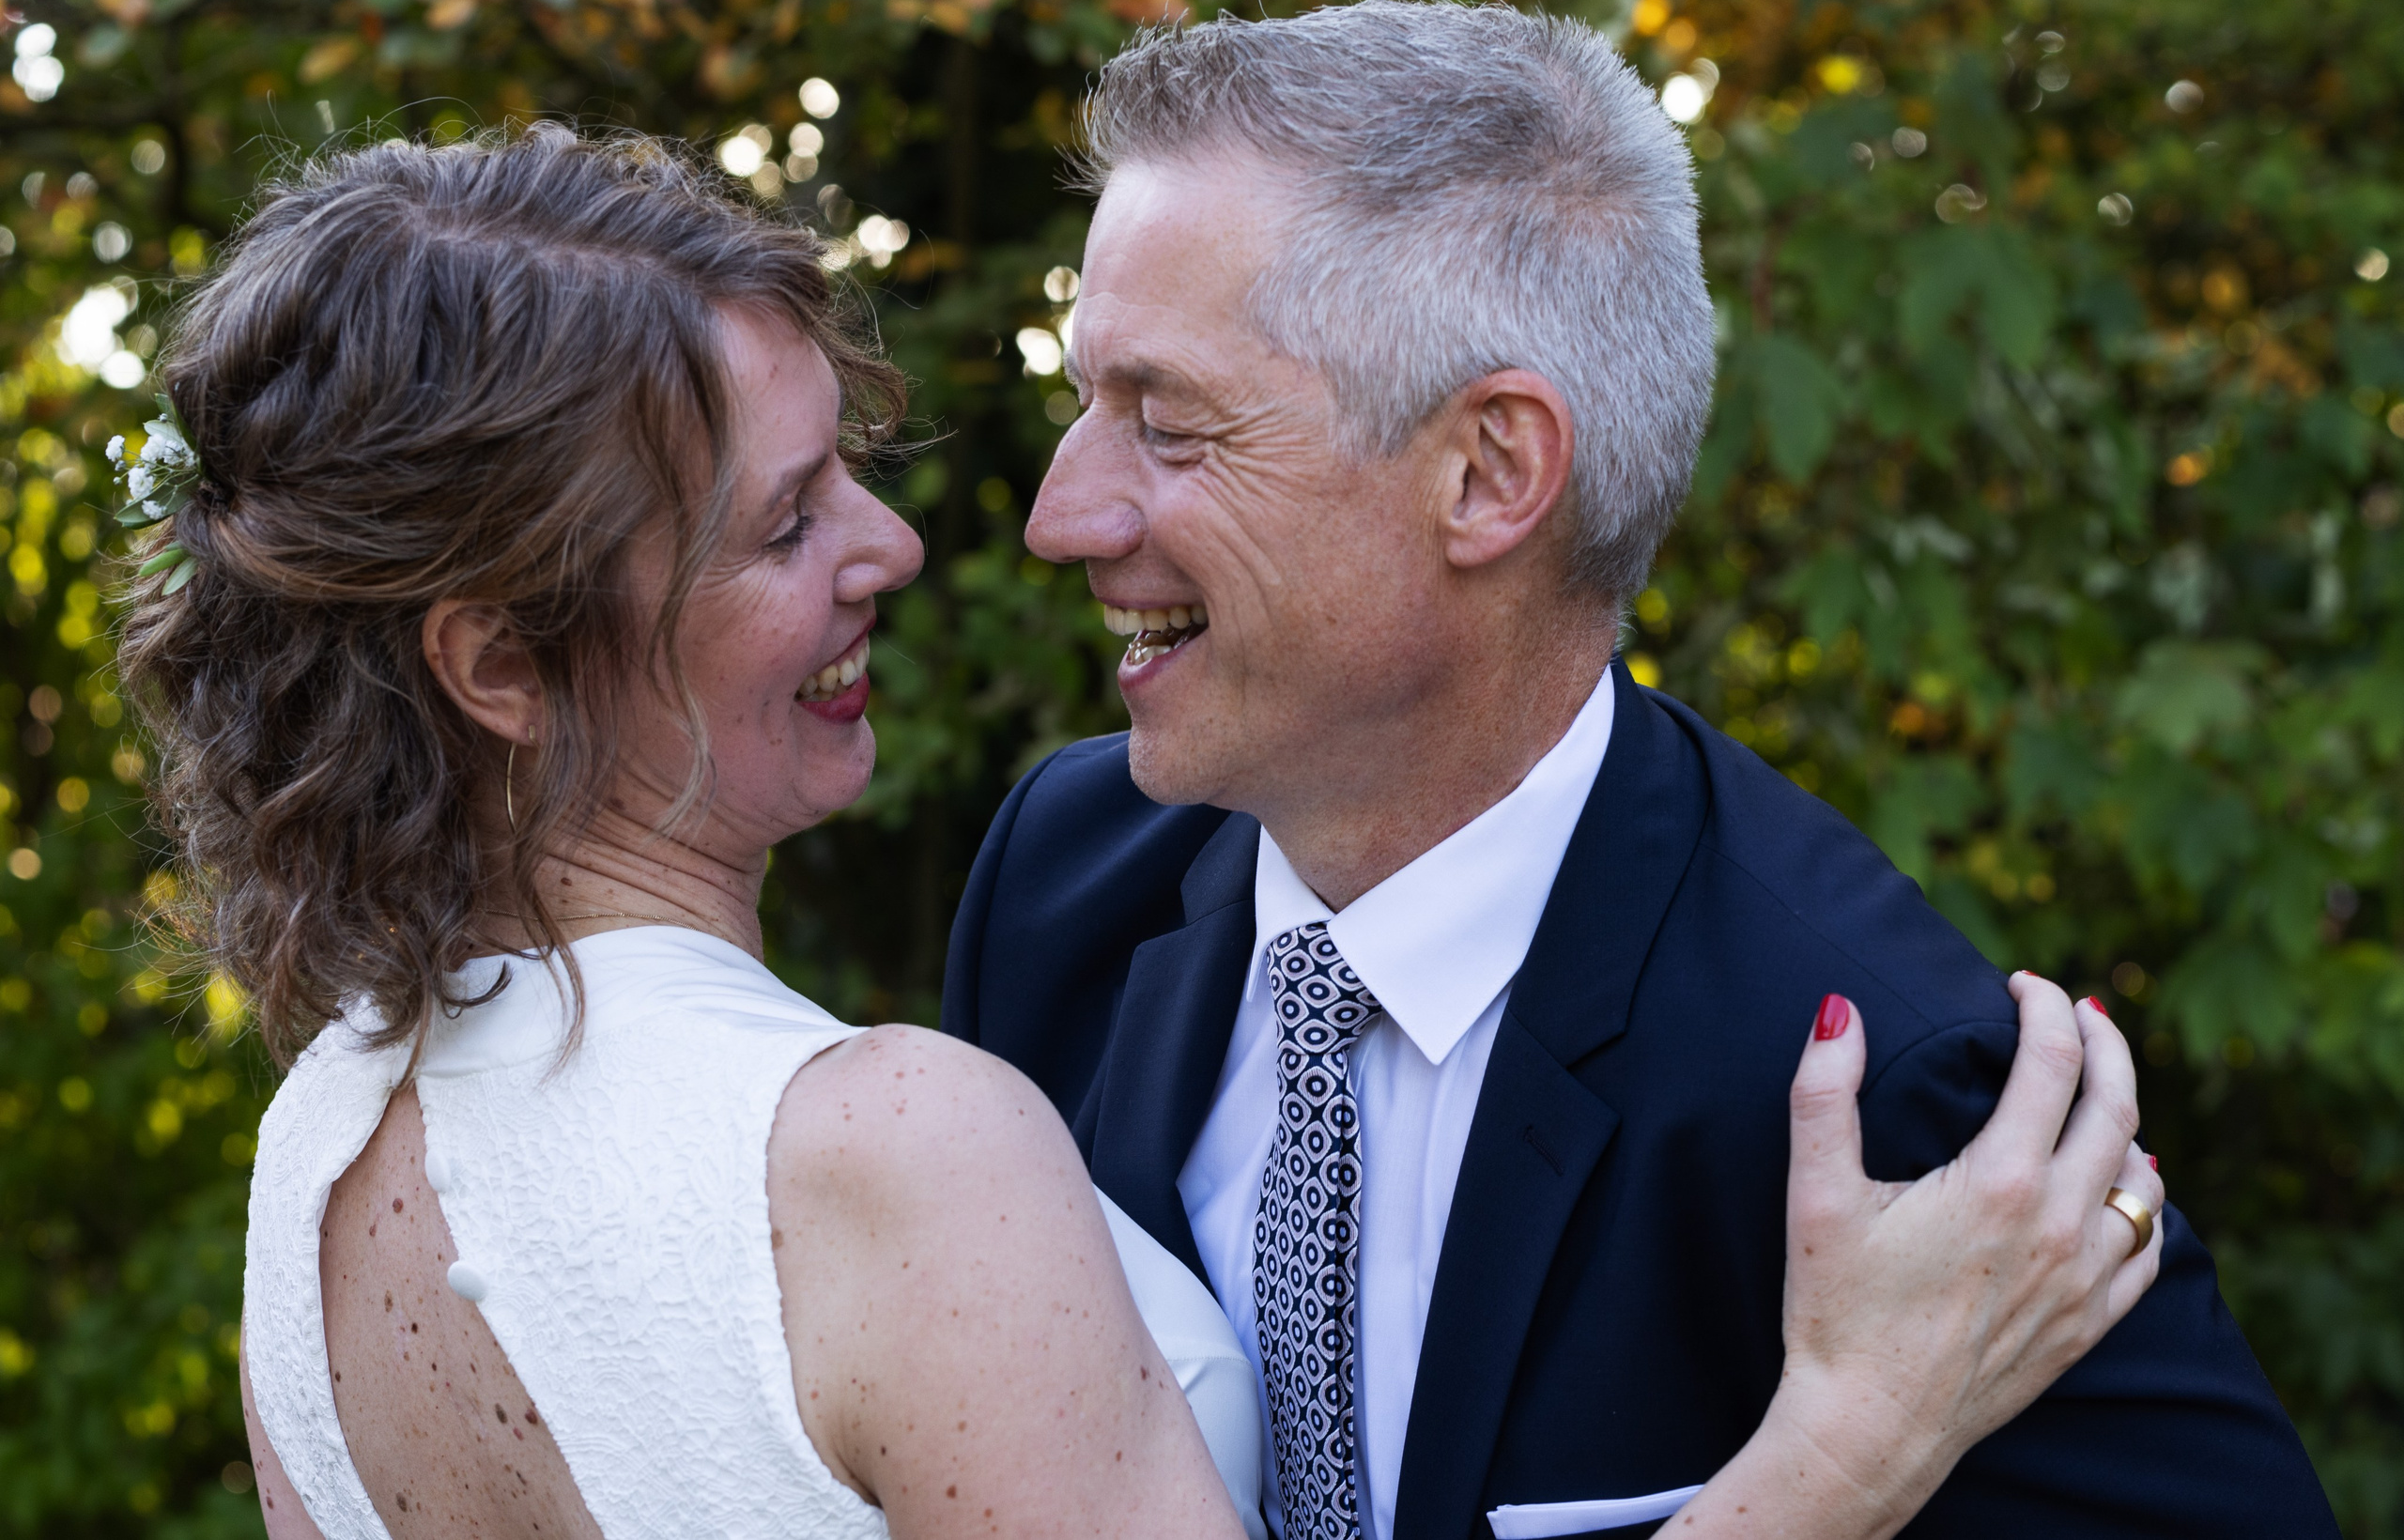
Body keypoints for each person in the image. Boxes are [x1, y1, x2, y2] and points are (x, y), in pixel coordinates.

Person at [115, 126, 2149, 1540]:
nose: (914, 545)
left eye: (1161, 425)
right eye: (784, 518)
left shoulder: (316, 1159)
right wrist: (1845, 1444)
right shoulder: (898, 1146)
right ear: (496, 658)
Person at [948, 0, 2339, 1540]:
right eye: (1085, 404)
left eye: (1169, 423)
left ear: (1490, 472)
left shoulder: (1888, 1093)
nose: (1060, 516)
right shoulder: (1059, 885)